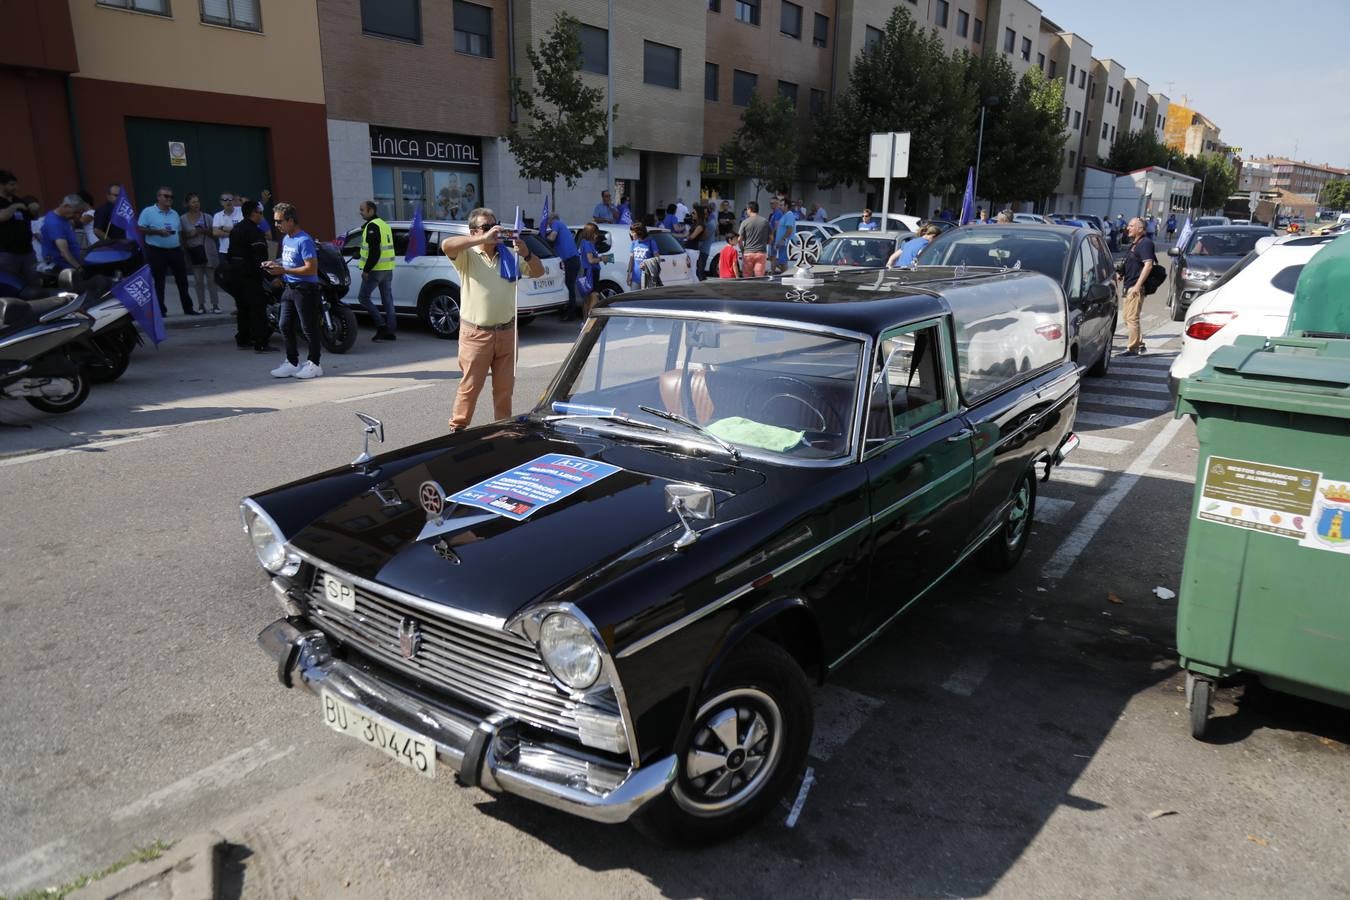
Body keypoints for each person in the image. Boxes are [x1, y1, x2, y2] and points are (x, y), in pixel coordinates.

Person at [439, 207, 544, 431]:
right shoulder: (467, 255)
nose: (494, 230)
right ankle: (457, 430)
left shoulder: (509, 254)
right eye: (487, 227)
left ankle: (503, 430)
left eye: (496, 225)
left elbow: (538, 272)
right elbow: (446, 245)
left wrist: (526, 253)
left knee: (505, 389)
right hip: (476, 334)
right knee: (470, 387)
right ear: (474, 231)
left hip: (507, 332)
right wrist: (480, 239)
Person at [262, 203, 323, 378]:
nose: (276, 225)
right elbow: (289, 261)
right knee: (284, 325)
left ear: (291, 220)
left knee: (308, 328)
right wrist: (275, 264)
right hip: (290, 287)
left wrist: (283, 271)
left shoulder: (304, 240)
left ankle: (315, 364)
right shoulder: (287, 239)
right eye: (275, 221)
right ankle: (292, 362)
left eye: (279, 221)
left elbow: (310, 269)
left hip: (305, 289)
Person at [139, 186, 194, 316]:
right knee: (159, 281)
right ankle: (161, 310)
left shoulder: (174, 213)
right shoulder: (148, 211)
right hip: (157, 251)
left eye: (171, 197)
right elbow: (140, 228)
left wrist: (182, 248)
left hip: (175, 250)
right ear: (158, 197)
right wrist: (158, 232)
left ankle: (188, 309)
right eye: (166, 196)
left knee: (182, 281)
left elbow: (179, 232)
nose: (169, 199)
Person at [225, 200, 271, 351]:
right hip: (250, 275)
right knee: (258, 308)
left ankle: (243, 339)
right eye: (260, 212)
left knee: (242, 308)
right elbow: (260, 258)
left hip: (235, 274)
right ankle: (261, 343)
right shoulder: (255, 232)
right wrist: (267, 275)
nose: (261, 215)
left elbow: (230, 253)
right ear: (253, 213)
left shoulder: (236, 229)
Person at [355, 200, 397, 340]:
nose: (360, 212)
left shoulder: (372, 226)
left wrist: (366, 270)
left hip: (376, 270)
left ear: (371, 210)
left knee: (363, 298)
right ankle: (390, 331)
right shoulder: (384, 224)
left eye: (362, 210)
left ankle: (382, 327)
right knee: (387, 300)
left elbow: (375, 252)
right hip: (387, 269)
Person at [1118, 216, 1155, 356]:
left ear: (1140, 228)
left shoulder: (1145, 243)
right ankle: (1140, 345)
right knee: (1127, 317)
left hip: (1135, 287)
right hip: (1129, 285)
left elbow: (1148, 265)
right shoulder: (1135, 243)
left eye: (1131, 225)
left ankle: (1132, 348)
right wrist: (1120, 273)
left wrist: (1137, 286)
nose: (1128, 228)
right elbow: (1132, 262)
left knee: (1132, 318)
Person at [180, 192, 219, 313]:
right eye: (193, 202)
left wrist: (204, 230)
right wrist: (191, 233)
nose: (196, 204)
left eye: (197, 201)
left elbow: (215, 234)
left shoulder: (207, 217)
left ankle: (215, 305)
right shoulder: (183, 219)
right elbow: (181, 236)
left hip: (208, 251)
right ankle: (201, 305)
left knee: (211, 280)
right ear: (188, 204)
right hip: (195, 252)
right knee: (198, 280)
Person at [0, 170, 39, 292]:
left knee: (34, 282)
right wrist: (14, 207)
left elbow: (34, 217)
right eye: (11, 184)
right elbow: (2, 216)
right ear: (2, 185)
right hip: (7, 252)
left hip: (27, 250)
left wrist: (34, 209)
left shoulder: (19, 200)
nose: (15, 187)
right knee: (13, 285)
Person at [546, 211, 582, 320]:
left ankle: (570, 313)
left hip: (569, 260)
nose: (547, 223)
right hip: (573, 260)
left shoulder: (556, 223)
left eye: (548, 220)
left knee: (569, 286)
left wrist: (543, 237)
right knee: (568, 285)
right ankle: (568, 311)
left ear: (552, 219)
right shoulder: (563, 226)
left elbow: (552, 238)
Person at [40, 194, 84, 275]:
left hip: (68, 265)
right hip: (63, 268)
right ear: (66, 206)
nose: (76, 215)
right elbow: (64, 252)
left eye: (79, 212)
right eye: (75, 212)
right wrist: (79, 268)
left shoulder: (63, 218)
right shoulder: (54, 223)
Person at [738, 201, 771, 277]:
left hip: (748, 253)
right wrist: (766, 243)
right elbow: (771, 237)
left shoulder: (745, 222)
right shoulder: (765, 222)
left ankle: (748, 289)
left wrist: (742, 249)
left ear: (749, 209)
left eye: (747, 209)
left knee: (747, 276)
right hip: (761, 253)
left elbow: (739, 239)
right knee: (759, 277)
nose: (746, 211)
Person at [577, 222, 602, 317]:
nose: (597, 235)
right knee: (594, 296)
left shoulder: (586, 243)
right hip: (591, 272)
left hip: (588, 272)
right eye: (595, 233)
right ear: (590, 233)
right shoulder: (587, 244)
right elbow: (591, 260)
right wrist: (601, 259)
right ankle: (590, 320)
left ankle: (585, 321)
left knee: (587, 298)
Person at [627, 221, 661, 290]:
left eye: (633, 232)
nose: (631, 234)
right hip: (635, 278)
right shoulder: (634, 243)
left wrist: (646, 263)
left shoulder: (651, 242)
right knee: (634, 299)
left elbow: (658, 259)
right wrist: (629, 275)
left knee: (647, 300)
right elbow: (631, 260)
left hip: (648, 279)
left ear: (639, 232)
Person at [212, 192, 242, 256]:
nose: (228, 201)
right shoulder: (217, 215)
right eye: (225, 200)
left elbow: (243, 229)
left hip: (241, 249)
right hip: (225, 251)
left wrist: (223, 228)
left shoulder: (241, 211)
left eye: (230, 199)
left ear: (234, 201)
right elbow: (215, 232)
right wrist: (235, 234)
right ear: (221, 202)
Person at [773, 199, 797, 273]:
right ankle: (785, 274)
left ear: (786, 206)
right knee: (781, 261)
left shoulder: (789, 215)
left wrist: (782, 240)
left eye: (781, 205)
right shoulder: (785, 215)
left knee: (783, 262)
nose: (779, 207)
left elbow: (789, 229)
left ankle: (786, 275)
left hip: (785, 243)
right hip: (783, 242)